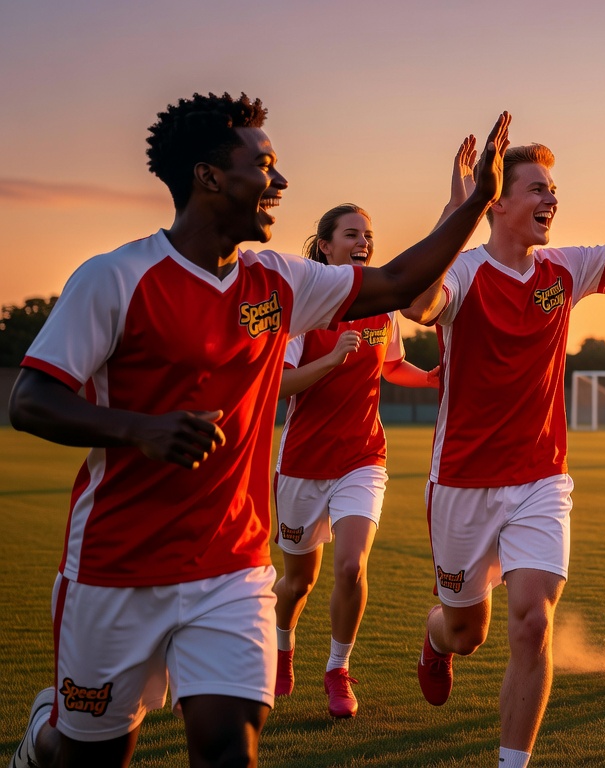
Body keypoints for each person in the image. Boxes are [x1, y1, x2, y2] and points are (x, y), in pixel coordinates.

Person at [7, 92, 510, 768]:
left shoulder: (277, 280)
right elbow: (31, 400)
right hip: (113, 568)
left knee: (228, 748)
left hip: (233, 566)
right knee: (86, 757)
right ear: (209, 177)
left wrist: (478, 201)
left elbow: (393, 283)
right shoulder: (115, 278)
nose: (279, 183)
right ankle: (45, 741)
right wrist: (141, 429)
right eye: (264, 167)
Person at [399, 98, 605, 768]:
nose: (552, 198)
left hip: (542, 479)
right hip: (462, 480)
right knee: (469, 631)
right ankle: (438, 636)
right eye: (538, 188)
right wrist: (458, 207)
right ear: (498, 202)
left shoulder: (563, 271)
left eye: (555, 188)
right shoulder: (462, 272)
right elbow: (416, 301)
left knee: (532, 620)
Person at [271, 152, 468, 717]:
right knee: (296, 583)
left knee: (352, 566)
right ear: (325, 245)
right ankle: (283, 648)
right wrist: (332, 360)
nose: (363, 242)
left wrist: (430, 377)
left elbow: (390, 366)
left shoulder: (382, 310)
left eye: (368, 235)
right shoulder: (301, 308)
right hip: (303, 463)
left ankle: (338, 669)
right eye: (351, 234)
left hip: (363, 457)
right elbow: (281, 385)